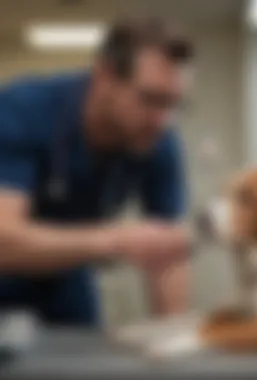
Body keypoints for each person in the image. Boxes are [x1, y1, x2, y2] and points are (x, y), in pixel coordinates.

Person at [0, 17, 194, 326]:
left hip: (67, 279)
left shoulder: (157, 139)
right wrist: (113, 240)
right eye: (151, 99)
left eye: (172, 104)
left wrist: (174, 336)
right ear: (104, 77)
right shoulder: (23, 109)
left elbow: (169, 249)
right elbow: (3, 242)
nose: (162, 120)